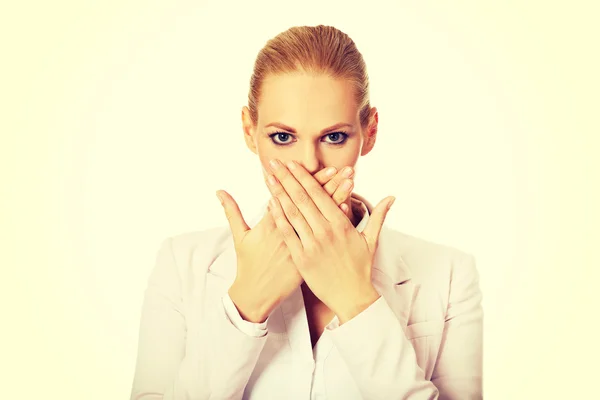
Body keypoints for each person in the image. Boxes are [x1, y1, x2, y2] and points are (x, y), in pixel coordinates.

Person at [130, 25, 483, 400]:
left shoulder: (449, 275)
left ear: (370, 131)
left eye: (334, 137)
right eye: (283, 137)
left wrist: (356, 301)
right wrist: (245, 304)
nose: (308, 164)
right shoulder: (182, 265)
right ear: (250, 132)